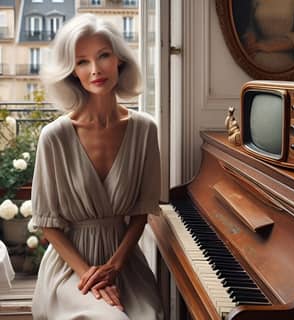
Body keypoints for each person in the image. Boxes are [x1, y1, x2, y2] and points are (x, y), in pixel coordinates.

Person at [31, 13, 164, 320]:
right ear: (72, 72)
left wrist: (115, 267)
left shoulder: (145, 129)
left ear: (119, 59)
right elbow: (48, 225)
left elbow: (140, 214)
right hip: (71, 268)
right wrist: (91, 276)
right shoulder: (54, 137)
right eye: (82, 62)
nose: (95, 70)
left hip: (125, 261)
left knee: (148, 315)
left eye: (103, 55)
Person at [241, 0, 294, 71]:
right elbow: (252, 28)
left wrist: (268, 47)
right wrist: (250, 45)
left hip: (285, 56)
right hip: (258, 52)